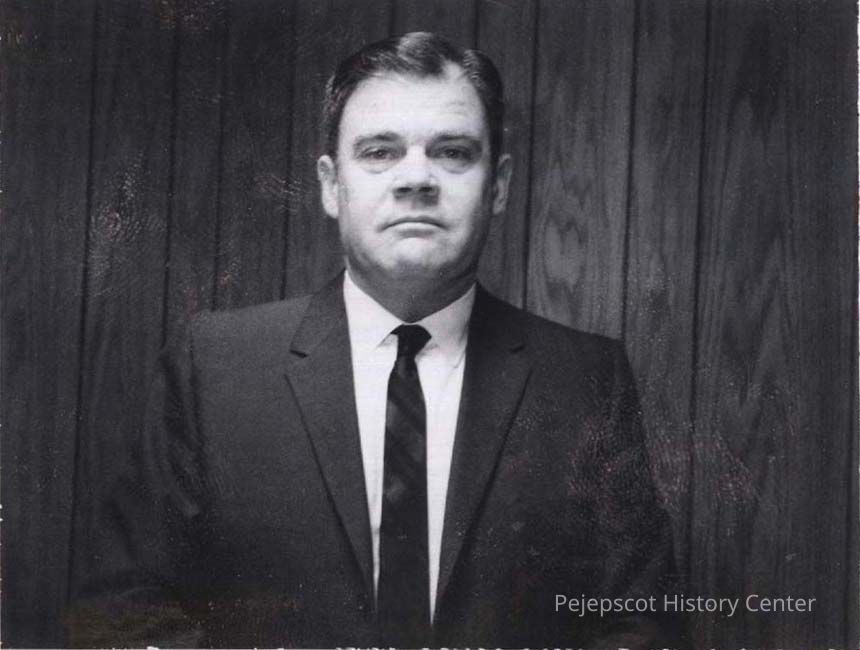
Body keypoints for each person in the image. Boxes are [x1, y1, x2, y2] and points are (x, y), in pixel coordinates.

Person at [70, 31, 686, 649]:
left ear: (497, 185)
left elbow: (643, 622)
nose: (416, 178)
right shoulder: (216, 367)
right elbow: (122, 613)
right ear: (330, 185)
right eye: (380, 152)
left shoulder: (584, 380)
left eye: (452, 152)